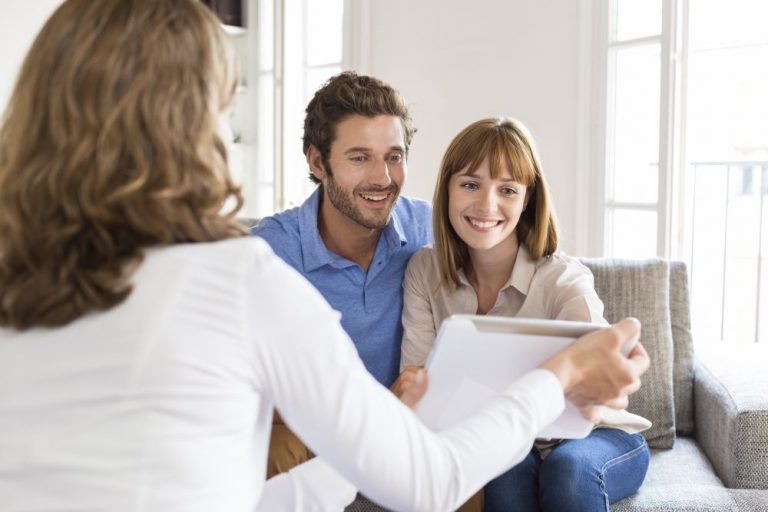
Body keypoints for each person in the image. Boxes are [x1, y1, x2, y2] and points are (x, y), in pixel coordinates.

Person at [0, 1, 651, 510]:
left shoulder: (16, 276)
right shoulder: (243, 275)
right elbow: (428, 480)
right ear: (192, 127)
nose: (381, 177)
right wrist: (561, 374)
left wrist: (382, 428)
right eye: (224, 109)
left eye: (393, 156)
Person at [401, 117, 652, 512]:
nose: (486, 205)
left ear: (527, 199)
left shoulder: (563, 278)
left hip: (596, 435)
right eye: (470, 185)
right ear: (447, 188)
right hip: (506, 432)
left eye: (507, 190)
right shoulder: (424, 271)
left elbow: (602, 370)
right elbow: (420, 387)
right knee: (499, 470)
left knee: (567, 472)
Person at [251, 71, 433, 477]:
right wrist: (376, 407)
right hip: (316, 434)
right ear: (318, 162)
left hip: (407, 434)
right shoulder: (267, 253)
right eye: (359, 158)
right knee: (276, 448)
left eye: (394, 157)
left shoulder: (431, 230)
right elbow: (240, 387)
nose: (382, 179)